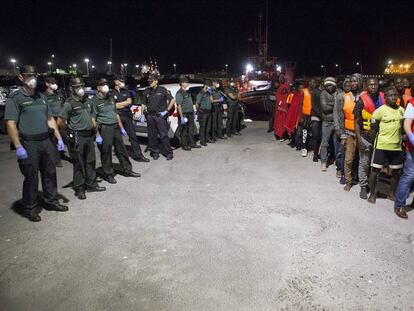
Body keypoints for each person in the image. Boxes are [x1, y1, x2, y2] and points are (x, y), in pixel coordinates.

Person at [5, 65, 68, 222]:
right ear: (21, 77)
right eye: (28, 76)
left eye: (34, 75)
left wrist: (59, 138)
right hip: (28, 143)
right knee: (31, 177)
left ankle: (51, 201)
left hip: (46, 140)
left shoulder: (41, 97)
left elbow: (50, 119)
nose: (32, 78)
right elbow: (11, 123)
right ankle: (30, 207)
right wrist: (18, 146)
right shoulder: (16, 98)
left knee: (50, 173)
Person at [57, 77, 106, 200]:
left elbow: (93, 118)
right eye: (77, 87)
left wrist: (97, 133)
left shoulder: (88, 102)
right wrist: (69, 130)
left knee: (90, 161)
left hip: (89, 136)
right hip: (78, 137)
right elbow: (60, 122)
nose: (80, 89)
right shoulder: (69, 103)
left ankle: (91, 184)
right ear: (71, 88)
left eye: (81, 86)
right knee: (78, 163)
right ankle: (79, 188)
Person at [91, 78, 140, 184]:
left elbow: (116, 113)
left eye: (106, 84)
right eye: (103, 85)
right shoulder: (95, 101)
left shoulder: (110, 98)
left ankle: (128, 170)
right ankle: (108, 174)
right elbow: (93, 119)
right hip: (105, 128)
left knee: (121, 149)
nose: (106, 87)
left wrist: (121, 127)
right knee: (106, 151)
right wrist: (97, 134)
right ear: (98, 88)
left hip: (115, 127)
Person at [368, 86, 404, 204]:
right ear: (385, 98)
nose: (393, 97)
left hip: (396, 147)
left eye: (395, 95)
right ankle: (372, 194)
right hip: (381, 146)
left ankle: (391, 193)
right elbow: (373, 128)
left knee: (396, 172)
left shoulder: (401, 110)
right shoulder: (380, 111)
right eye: (390, 95)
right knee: (375, 171)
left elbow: (403, 126)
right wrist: (372, 143)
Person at [353, 77, 385, 199]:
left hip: (381, 136)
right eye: (370, 85)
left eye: (375, 84)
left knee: (376, 165)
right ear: (367, 86)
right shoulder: (361, 100)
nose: (373, 87)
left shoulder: (384, 97)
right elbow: (356, 121)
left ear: (378, 85)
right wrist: (359, 139)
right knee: (364, 163)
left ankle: (373, 188)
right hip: (365, 136)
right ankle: (363, 186)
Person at [111, 74, 149, 162]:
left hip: (127, 116)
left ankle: (139, 156)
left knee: (133, 137)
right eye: (120, 80)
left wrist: (119, 104)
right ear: (116, 82)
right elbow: (113, 106)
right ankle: (121, 157)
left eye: (122, 80)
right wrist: (122, 103)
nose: (122, 82)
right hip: (117, 117)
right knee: (118, 139)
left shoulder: (125, 91)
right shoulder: (111, 93)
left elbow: (129, 101)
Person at [335, 75, 362, 189]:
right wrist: (342, 133)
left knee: (362, 159)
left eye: (355, 81)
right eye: (351, 81)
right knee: (348, 159)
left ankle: (361, 181)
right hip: (349, 133)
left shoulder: (365, 96)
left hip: (363, 133)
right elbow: (340, 117)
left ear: (360, 82)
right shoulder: (344, 97)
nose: (353, 83)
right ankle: (348, 180)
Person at [140, 74, 175, 160]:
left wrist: (166, 110)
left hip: (160, 116)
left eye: (151, 81)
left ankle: (169, 153)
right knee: (152, 135)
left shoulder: (162, 90)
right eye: (149, 81)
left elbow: (172, 100)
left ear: (156, 81)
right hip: (150, 116)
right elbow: (143, 103)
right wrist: (142, 114)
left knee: (163, 135)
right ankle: (155, 152)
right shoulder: (146, 91)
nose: (150, 83)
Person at [394, 97, 414, 219]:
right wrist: (411, 136)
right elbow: (407, 123)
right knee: (410, 175)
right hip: (413, 147)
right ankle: (399, 205)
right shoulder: (412, 102)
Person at [320, 77, 342, 172]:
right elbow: (325, 108)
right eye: (327, 85)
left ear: (334, 85)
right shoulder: (323, 94)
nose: (329, 87)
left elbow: (342, 106)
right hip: (327, 122)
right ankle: (323, 162)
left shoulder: (339, 92)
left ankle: (338, 163)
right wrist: (336, 104)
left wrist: (331, 104)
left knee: (337, 144)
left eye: (330, 85)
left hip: (337, 123)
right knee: (325, 143)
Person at [43, 76, 65, 167]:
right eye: (51, 83)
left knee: (66, 137)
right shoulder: (44, 96)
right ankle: (57, 159)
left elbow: (63, 106)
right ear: (47, 84)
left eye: (54, 82)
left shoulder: (58, 94)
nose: (54, 84)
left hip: (61, 119)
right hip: (52, 120)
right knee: (53, 141)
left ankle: (73, 156)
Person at [175, 76, 200, 150]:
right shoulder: (179, 93)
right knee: (184, 131)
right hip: (184, 114)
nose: (187, 83)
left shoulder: (187, 92)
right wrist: (182, 117)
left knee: (191, 130)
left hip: (190, 114)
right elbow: (179, 106)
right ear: (182, 83)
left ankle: (192, 143)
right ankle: (184, 145)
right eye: (186, 82)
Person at [284, 82, 304, 148]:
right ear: (298, 88)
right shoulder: (296, 95)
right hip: (294, 114)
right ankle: (293, 142)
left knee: (299, 131)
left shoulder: (305, 95)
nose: (301, 89)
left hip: (301, 115)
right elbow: (292, 105)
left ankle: (299, 144)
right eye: (300, 88)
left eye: (302, 88)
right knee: (293, 129)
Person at [196, 80, 213, 146]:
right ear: (206, 85)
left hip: (209, 112)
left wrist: (211, 93)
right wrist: (199, 111)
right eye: (209, 86)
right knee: (203, 127)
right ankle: (202, 141)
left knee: (208, 127)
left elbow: (211, 101)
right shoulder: (201, 93)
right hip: (203, 112)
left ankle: (207, 138)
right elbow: (197, 104)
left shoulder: (208, 93)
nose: (210, 87)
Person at [273, 74, 290, 140]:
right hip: (279, 110)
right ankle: (279, 135)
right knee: (279, 123)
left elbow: (289, 96)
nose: (282, 79)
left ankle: (284, 136)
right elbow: (278, 97)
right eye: (281, 78)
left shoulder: (287, 86)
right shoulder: (280, 88)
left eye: (283, 78)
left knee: (284, 123)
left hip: (285, 109)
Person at [299, 81, 313, 156]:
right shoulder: (304, 92)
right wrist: (300, 117)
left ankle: (311, 147)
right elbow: (300, 105)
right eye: (311, 83)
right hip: (305, 115)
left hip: (313, 115)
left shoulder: (315, 91)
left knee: (313, 133)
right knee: (305, 132)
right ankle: (304, 148)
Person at [310, 78, 322, 162]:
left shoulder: (315, 92)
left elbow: (313, 106)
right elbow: (315, 106)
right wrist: (321, 115)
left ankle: (315, 154)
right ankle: (316, 154)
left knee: (316, 137)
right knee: (318, 137)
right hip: (318, 117)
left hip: (316, 116)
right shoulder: (318, 92)